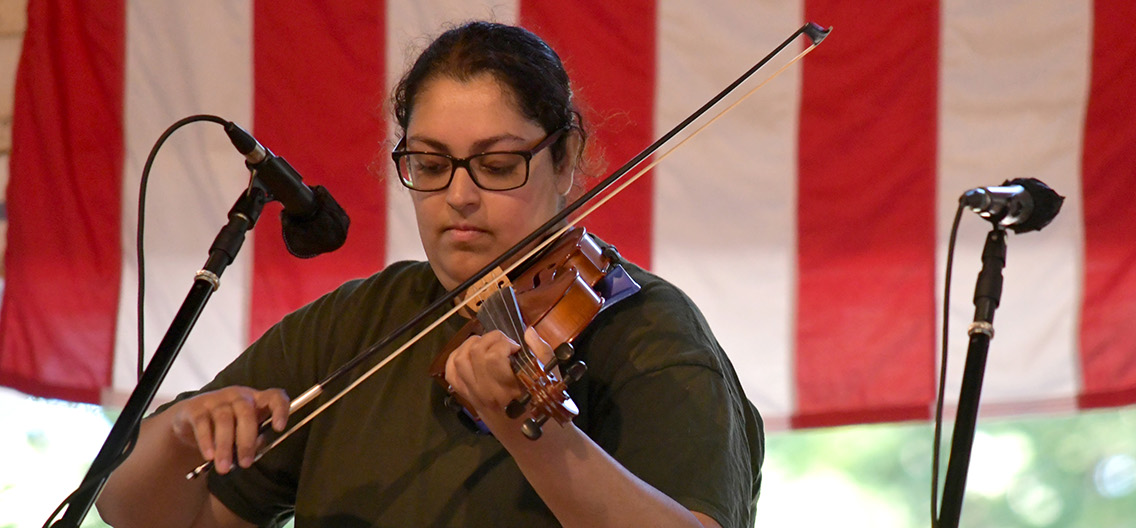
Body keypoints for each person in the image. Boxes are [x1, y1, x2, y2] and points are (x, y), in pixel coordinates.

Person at [96, 21, 764, 528]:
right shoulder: (356, 323)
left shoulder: (646, 331)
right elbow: (143, 513)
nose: (460, 196)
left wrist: (529, 430)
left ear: (566, 162)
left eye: (498, 165)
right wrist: (181, 430)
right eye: (430, 163)